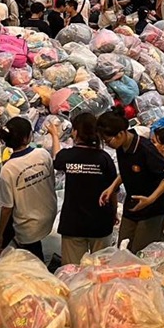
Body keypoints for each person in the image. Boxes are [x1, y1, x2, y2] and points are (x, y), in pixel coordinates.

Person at [96, 111, 164, 253]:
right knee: (123, 249)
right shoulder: (121, 147)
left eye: (108, 141)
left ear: (120, 134)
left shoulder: (145, 149)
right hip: (132, 206)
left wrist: (150, 199)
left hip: (152, 210)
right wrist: (112, 187)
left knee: (141, 254)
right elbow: (127, 171)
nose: (108, 144)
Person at [0, 116, 59, 261]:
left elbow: (7, 208)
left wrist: (0, 233)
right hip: (49, 214)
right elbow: (51, 183)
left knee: (7, 223)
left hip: (29, 227)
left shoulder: (8, 169)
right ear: (27, 139)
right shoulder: (43, 154)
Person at [54, 112, 118, 264]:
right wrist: (113, 213)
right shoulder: (104, 158)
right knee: (100, 271)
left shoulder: (69, 156)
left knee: (72, 272)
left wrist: (55, 136)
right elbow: (113, 191)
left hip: (73, 223)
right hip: (100, 223)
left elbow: (57, 159)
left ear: (75, 132)